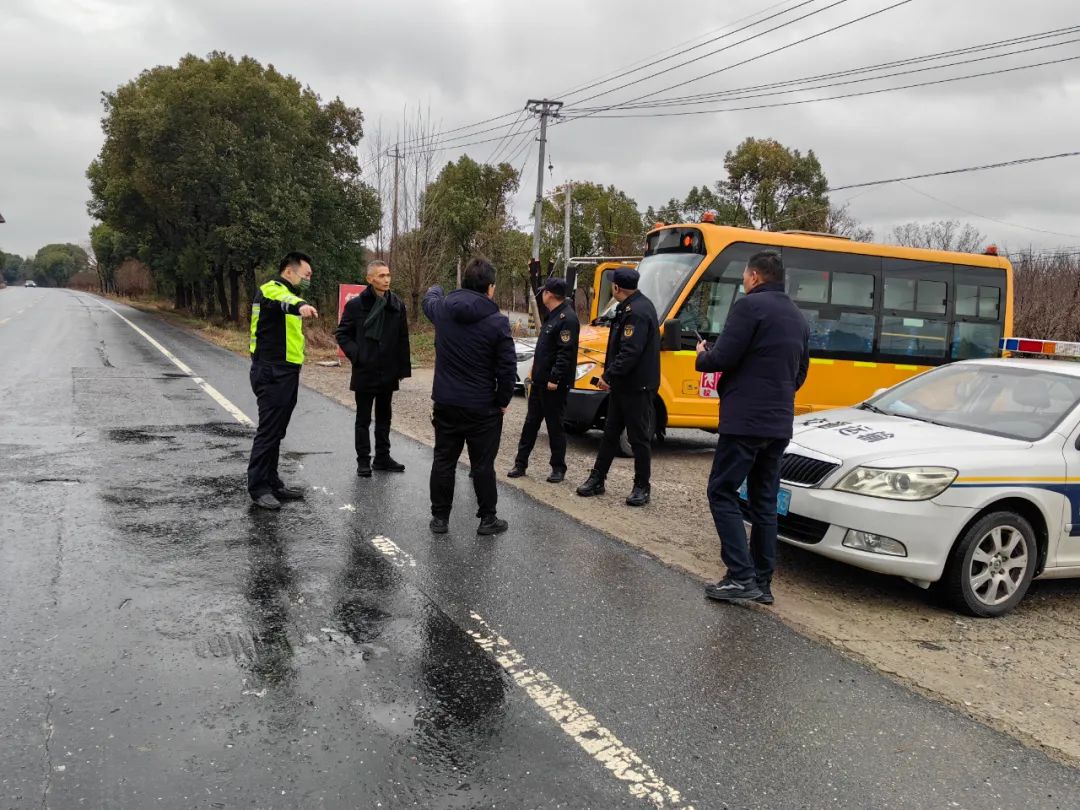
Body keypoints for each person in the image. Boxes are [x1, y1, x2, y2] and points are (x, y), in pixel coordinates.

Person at [695, 250, 809, 605]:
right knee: (764, 502)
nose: (744, 282)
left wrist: (703, 354)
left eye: (745, 276)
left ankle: (740, 575)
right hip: (778, 424)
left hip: (744, 421)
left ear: (755, 277)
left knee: (722, 491)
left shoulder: (748, 307)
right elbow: (800, 373)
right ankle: (762, 581)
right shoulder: (797, 316)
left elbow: (723, 357)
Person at [422, 257, 516, 536]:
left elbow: (430, 299)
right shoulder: (498, 322)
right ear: (489, 288)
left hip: (447, 402)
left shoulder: (442, 311)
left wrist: (436, 287)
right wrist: (502, 401)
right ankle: (488, 519)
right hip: (483, 407)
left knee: (443, 461)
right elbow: (507, 368)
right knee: (483, 465)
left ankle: (440, 518)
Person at [576, 267, 659, 507]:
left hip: (637, 387)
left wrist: (608, 376)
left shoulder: (638, 312)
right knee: (610, 434)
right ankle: (598, 479)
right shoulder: (628, 307)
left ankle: (642, 486)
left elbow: (630, 352)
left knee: (639, 438)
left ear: (616, 288)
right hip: (624, 386)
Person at [247, 251, 320, 510]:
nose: (308, 279)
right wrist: (300, 305)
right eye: (306, 274)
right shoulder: (272, 289)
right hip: (271, 371)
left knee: (278, 430)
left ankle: (272, 480)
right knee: (268, 431)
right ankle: (258, 487)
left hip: (286, 371)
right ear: (289, 271)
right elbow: (285, 301)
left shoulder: (286, 293)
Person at [335, 260, 412, 477]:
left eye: (388, 275)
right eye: (381, 275)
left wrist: (402, 369)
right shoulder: (356, 305)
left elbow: (402, 339)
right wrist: (358, 355)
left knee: (385, 417)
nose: (386, 279)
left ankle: (382, 458)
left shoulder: (397, 304)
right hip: (365, 370)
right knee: (363, 418)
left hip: (388, 370)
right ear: (370, 279)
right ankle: (363, 460)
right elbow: (342, 334)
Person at [507, 277, 580, 483]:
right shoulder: (553, 316)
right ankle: (520, 464)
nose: (542, 296)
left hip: (553, 384)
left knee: (554, 426)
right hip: (540, 382)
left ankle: (558, 468)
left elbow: (565, 353)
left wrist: (555, 378)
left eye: (544, 292)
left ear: (549, 294)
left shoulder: (567, 319)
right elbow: (545, 350)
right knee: (530, 423)